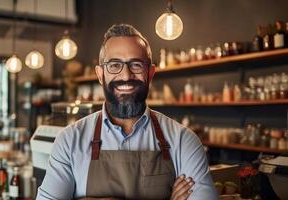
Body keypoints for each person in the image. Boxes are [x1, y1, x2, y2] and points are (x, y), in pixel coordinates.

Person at [37, 24, 218, 200]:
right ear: (100, 75)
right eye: (114, 65)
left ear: (150, 73)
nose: (125, 75)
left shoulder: (183, 140)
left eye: (136, 64)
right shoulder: (69, 141)